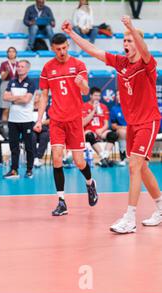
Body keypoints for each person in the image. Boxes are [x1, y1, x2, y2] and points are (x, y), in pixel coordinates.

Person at [63, 17, 162, 233]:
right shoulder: (120, 62)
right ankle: (161, 207)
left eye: (129, 41)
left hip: (148, 121)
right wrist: (72, 34)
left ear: (137, 41)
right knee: (142, 167)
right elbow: (92, 49)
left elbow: (144, 48)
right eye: (124, 41)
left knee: (134, 166)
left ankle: (130, 218)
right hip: (133, 123)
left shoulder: (147, 63)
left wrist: (132, 29)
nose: (126, 44)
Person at [34, 33, 98, 216]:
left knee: (79, 161)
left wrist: (82, 84)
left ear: (68, 45)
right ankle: (61, 202)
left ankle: (90, 183)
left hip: (75, 120)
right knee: (56, 158)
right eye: (58, 49)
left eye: (64, 48)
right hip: (57, 120)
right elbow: (44, 95)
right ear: (53, 49)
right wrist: (39, 119)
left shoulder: (78, 65)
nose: (61, 52)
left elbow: (86, 91)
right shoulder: (47, 68)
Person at [3, 60, 36, 178]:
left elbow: (26, 100)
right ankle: (14, 170)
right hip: (13, 120)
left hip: (26, 120)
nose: (19, 68)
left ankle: (29, 170)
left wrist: (13, 98)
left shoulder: (31, 83)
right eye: (18, 66)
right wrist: (19, 98)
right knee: (14, 147)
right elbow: (5, 97)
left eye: (22, 67)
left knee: (29, 147)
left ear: (27, 69)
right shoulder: (12, 82)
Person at [82, 87, 117, 167]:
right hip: (89, 130)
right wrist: (94, 110)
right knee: (89, 135)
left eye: (99, 96)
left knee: (113, 135)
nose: (97, 98)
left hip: (101, 131)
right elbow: (83, 123)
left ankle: (105, 156)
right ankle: (103, 156)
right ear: (90, 96)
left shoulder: (103, 107)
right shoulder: (84, 106)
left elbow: (106, 124)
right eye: (95, 95)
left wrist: (101, 130)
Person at [0, 47, 18, 121]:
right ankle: (5, 130)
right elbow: (3, 78)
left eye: (13, 51)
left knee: (16, 109)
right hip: (6, 84)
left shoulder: (18, 64)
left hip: (16, 86)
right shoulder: (4, 64)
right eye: (9, 51)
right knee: (6, 109)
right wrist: (7, 71)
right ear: (7, 53)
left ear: (16, 54)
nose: (11, 53)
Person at [109, 91, 127, 166]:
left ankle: (141, 158)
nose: (118, 96)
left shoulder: (132, 106)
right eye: (117, 95)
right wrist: (122, 127)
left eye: (120, 94)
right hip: (120, 130)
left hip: (132, 128)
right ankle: (123, 157)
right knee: (122, 132)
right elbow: (113, 125)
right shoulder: (114, 109)